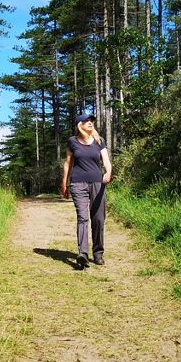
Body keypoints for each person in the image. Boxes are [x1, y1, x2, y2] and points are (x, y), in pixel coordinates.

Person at [60, 113, 112, 268]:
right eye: (86, 121)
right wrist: (64, 183)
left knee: (98, 219)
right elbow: (68, 163)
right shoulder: (73, 141)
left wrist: (108, 172)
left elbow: (106, 161)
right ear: (79, 125)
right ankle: (82, 253)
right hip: (78, 184)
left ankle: (98, 253)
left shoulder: (99, 141)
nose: (90, 123)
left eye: (91, 121)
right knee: (83, 217)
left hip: (98, 183)